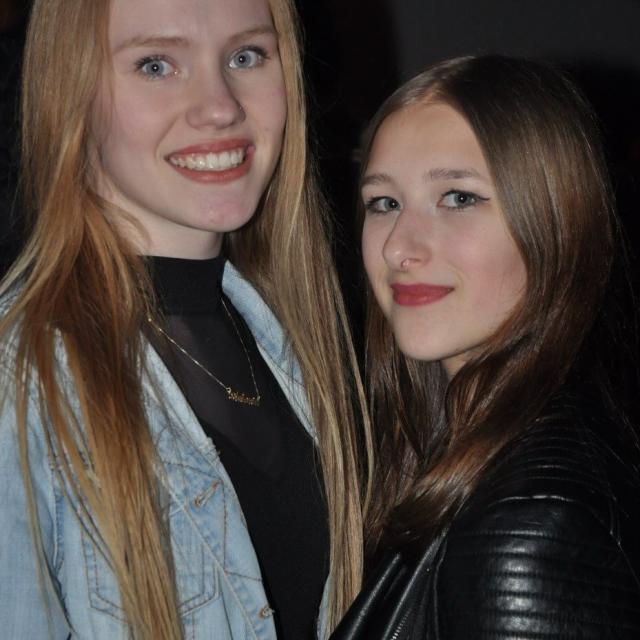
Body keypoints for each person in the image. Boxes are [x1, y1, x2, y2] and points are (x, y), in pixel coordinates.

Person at [0, 0, 370, 638]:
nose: (220, 106)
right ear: (71, 91)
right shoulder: (23, 376)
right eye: (156, 64)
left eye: (246, 55)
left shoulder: (293, 335)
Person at [331, 55, 640, 639]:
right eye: (384, 203)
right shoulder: (472, 450)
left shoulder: (527, 528)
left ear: (556, 220)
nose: (398, 248)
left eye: (458, 197)